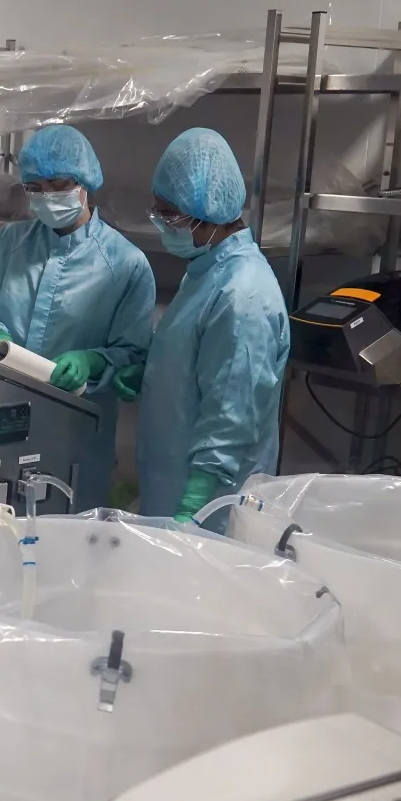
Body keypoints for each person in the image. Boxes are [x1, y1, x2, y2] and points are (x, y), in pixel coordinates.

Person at [0, 125, 155, 509]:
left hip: (77, 434)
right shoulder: (12, 243)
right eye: (35, 187)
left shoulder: (125, 265)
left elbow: (133, 352)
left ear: (84, 183)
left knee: (68, 541)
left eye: (58, 184)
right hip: (0, 419)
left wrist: (92, 361)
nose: (47, 196)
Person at [115, 127, 290, 522]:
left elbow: (232, 415)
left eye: (169, 213)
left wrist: (192, 507)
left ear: (208, 211)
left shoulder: (243, 295)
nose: (161, 223)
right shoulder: (207, 272)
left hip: (212, 506)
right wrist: (154, 374)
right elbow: (204, 364)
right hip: (172, 487)